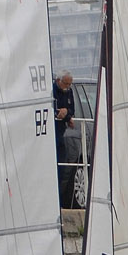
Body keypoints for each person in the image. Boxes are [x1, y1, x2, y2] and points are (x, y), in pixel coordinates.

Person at [53, 72, 78, 209]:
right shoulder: (52, 90)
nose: (68, 87)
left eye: (70, 84)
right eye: (66, 83)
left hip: (61, 132)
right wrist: (57, 112)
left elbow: (72, 109)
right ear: (58, 80)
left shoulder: (69, 91)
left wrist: (66, 114)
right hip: (52, 131)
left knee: (62, 167)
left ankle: (59, 198)